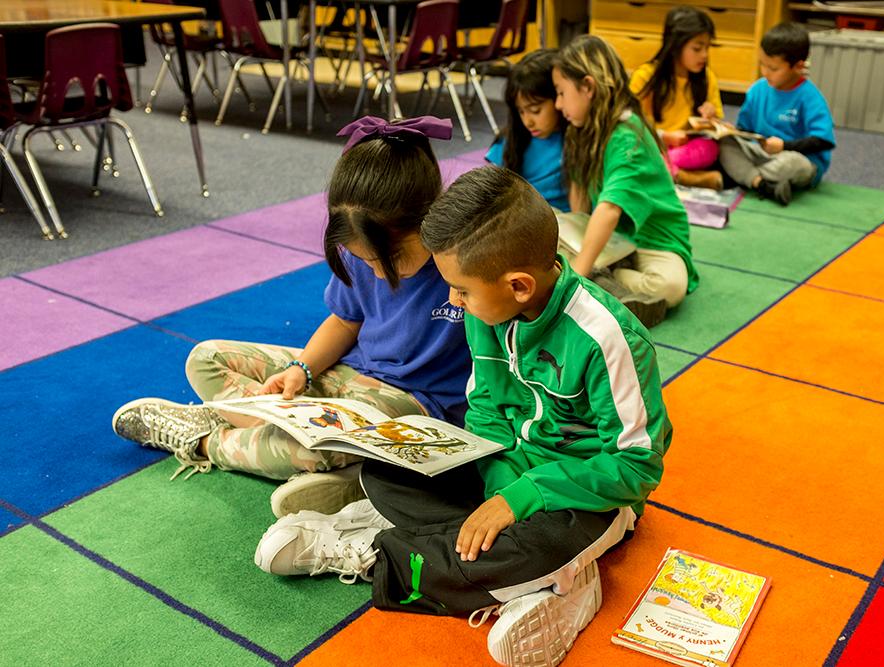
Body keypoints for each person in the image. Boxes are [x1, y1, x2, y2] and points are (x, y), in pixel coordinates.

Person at [254, 166, 670, 667]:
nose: (453, 300)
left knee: (537, 540)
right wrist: (496, 485)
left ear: (518, 286)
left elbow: (637, 468)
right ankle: (534, 585)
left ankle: (378, 553)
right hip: (505, 473)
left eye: (462, 290)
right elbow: (487, 413)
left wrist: (522, 498)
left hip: (583, 498)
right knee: (387, 471)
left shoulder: (607, 338)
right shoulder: (487, 315)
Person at [110, 116, 471, 517]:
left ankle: (205, 439)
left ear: (430, 221)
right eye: (366, 260)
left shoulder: (462, 266)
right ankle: (334, 465)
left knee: (320, 445)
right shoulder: (361, 245)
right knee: (206, 358)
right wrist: (303, 369)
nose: (378, 272)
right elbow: (345, 321)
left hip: (414, 405)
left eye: (390, 258)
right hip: (346, 379)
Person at [553, 34, 698, 328]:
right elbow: (581, 205)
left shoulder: (627, 135)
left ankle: (604, 281)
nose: (558, 104)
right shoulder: (580, 129)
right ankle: (606, 281)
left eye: (561, 93)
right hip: (612, 241)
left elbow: (609, 209)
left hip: (654, 241)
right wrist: (573, 233)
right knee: (546, 228)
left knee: (669, 287)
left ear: (588, 87)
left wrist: (579, 273)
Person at [718, 22, 836, 205]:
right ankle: (762, 184)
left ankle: (743, 176)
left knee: (793, 164)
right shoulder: (757, 90)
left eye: (773, 69)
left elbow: (823, 141)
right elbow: (745, 130)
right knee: (724, 143)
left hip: (797, 158)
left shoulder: (810, 97)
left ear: (798, 66)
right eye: (762, 65)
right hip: (760, 153)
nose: (765, 72)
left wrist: (784, 146)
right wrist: (731, 131)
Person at [630, 5, 725, 190]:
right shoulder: (645, 76)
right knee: (636, 151)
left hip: (684, 149)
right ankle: (688, 178)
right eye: (697, 48)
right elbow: (629, 124)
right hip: (652, 143)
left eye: (707, 48)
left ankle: (666, 172)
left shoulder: (707, 78)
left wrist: (711, 118)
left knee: (710, 148)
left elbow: (716, 130)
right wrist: (664, 136)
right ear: (675, 46)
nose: (704, 55)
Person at [485, 48, 569, 211]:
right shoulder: (514, 139)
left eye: (535, 110)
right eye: (521, 111)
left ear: (558, 97)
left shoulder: (575, 139)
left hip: (564, 225)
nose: (527, 121)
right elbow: (489, 189)